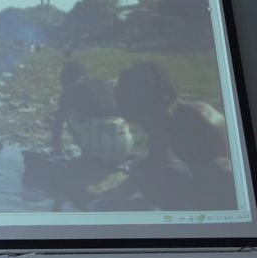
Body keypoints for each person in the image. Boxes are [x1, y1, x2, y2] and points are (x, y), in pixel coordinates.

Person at [101, 61, 237, 211]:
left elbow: (229, 176)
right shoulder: (161, 122)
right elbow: (155, 163)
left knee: (217, 169)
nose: (146, 126)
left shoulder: (203, 121)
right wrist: (115, 195)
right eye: (141, 121)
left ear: (165, 99)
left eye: (147, 119)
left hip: (227, 190)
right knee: (144, 170)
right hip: (200, 183)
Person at [51, 61, 133, 164]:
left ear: (66, 77)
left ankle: (87, 155)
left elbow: (58, 123)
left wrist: (56, 150)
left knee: (70, 115)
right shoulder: (104, 84)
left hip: (99, 147)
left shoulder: (69, 90)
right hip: (125, 146)